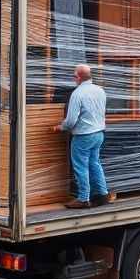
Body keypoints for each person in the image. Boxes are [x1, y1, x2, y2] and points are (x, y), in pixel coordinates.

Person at [53, 64, 110, 209]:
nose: (73, 78)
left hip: (83, 136)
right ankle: (103, 194)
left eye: (74, 76)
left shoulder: (78, 94)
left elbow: (71, 120)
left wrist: (61, 127)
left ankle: (83, 198)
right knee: (94, 163)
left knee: (81, 167)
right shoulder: (100, 90)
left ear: (78, 77)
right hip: (98, 134)